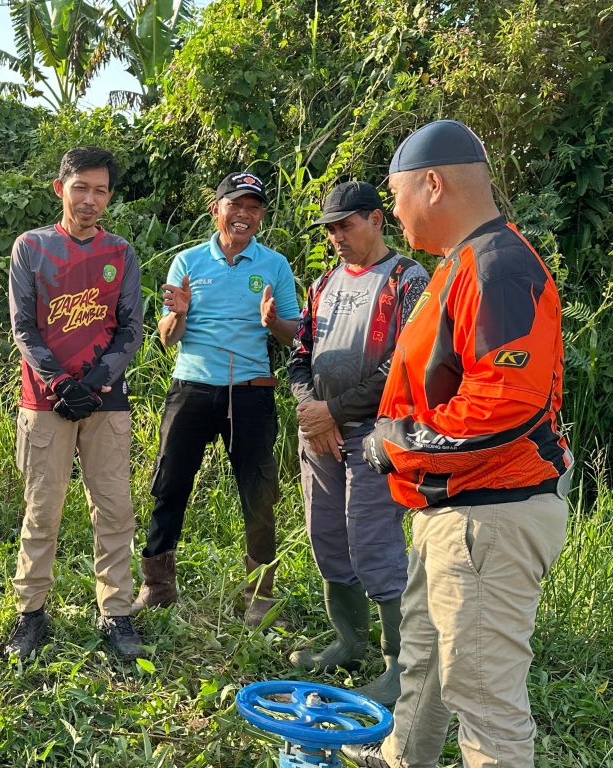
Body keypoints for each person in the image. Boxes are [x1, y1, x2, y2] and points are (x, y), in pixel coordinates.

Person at [344, 120, 573, 768]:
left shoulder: (497, 265)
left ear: (433, 185)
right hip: (453, 512)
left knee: (484, 705)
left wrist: (401, 443)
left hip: (489, 518)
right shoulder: (461, 265)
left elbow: (505, 405)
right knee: (426, 661)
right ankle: (401, 759)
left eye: (396, 194)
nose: (392, 210)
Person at [131, 171, 301, 628]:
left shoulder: (275, 265)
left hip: (250, 392)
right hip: (191, 388)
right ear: (217, 210)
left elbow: (293, 336)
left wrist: (274, 323)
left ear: (261, 216)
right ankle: (157, 585)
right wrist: (179, 313)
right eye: (236, 205)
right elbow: (168, 338)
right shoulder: (187, 263)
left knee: (258, 493)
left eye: (254, 208)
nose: (244, 215)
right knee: (169, 486)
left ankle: (259, 594)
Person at [286, 180, 428, 705]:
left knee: (374, 541)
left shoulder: (409, 280)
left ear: (376, 219)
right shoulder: (323, 283)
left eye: (346, 226)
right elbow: (301, 352)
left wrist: (333, 411)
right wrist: (311, 410)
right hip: (321, 432)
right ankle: (349, 638)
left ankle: (401, 661)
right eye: (331, 230)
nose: (337, 238)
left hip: (377, 433)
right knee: (325, 533)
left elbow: (404, 366)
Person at [4, 146, 144, 660]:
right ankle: (30, 613)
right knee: (43, 509)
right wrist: (61, 383)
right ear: (60, 188)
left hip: (107, 401)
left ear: (109, 196)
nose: (90, 199)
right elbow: (23, 325)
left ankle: (117, 611)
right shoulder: (31, 247)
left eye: (100, 190)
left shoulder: (120, 252)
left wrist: (99, 379)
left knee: (114, 509)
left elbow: (130, 328)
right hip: (45, 401)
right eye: (81, 187)